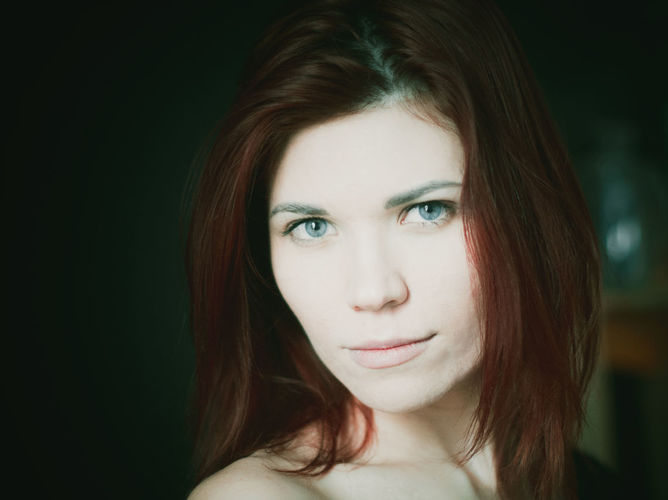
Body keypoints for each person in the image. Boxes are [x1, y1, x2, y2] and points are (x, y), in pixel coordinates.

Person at [184, 0, 602, 498]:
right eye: (312, 227)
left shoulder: (575, 477)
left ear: (525, 211)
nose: (373, 291)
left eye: (427, 211)